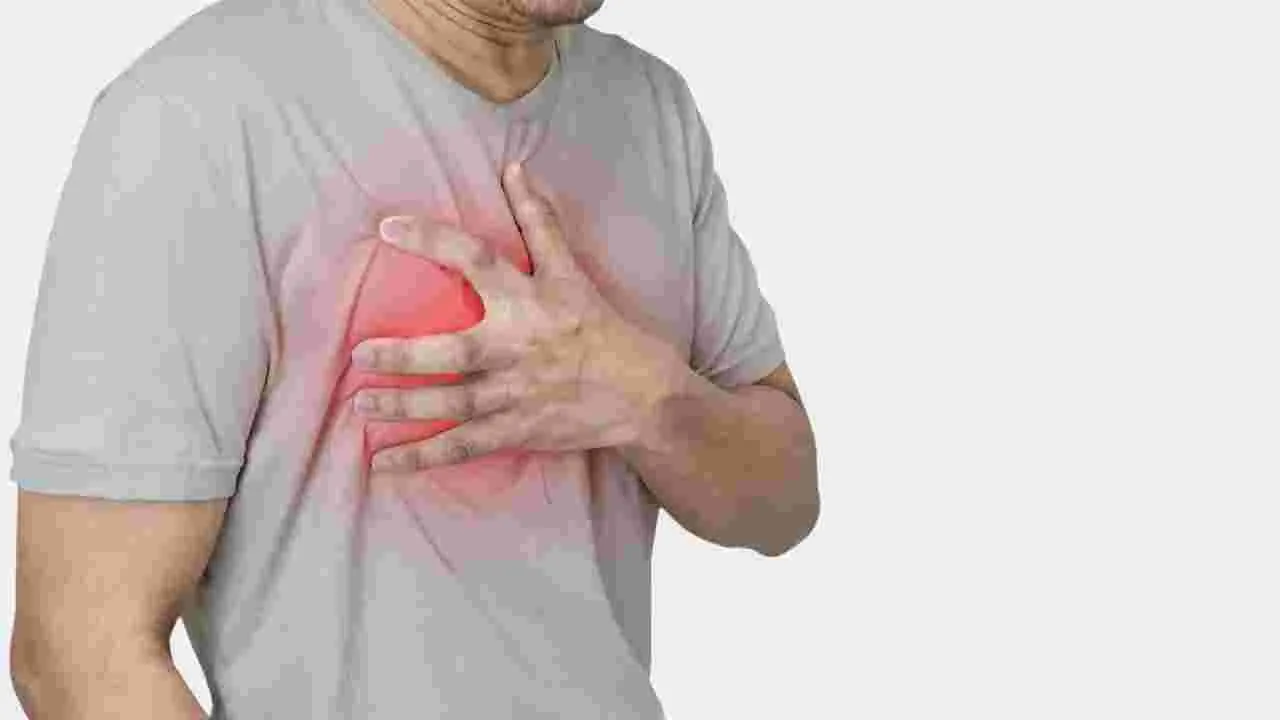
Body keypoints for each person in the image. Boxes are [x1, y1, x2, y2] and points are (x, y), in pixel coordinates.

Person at [8, 0, 820, 716]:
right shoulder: (198, 115)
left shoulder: (650, 109)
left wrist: (645, 398)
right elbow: (77, 656)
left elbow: (783, 504)